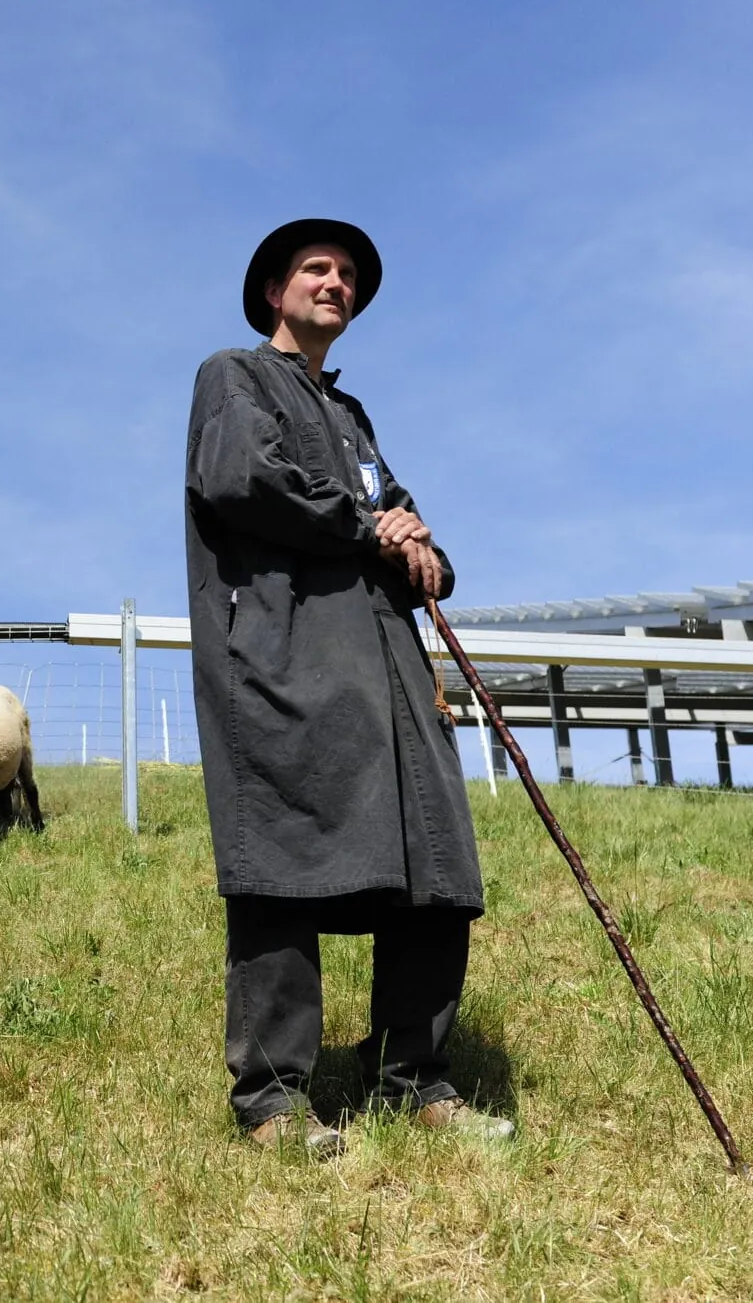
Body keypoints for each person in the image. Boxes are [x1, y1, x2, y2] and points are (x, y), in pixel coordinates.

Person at [184, 218, 514, 1157]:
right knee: (283, 861)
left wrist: (427, 558)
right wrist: (367, 529)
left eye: (348, 276)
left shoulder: (355, 417)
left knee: (436, 870)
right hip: (288, 659)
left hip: (394, 674)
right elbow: (240, 475)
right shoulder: (233, 377)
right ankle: (275, 1102)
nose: (336, 283)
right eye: (316, 270)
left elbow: (406, 525)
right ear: (273, 293)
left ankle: (419, 1081)